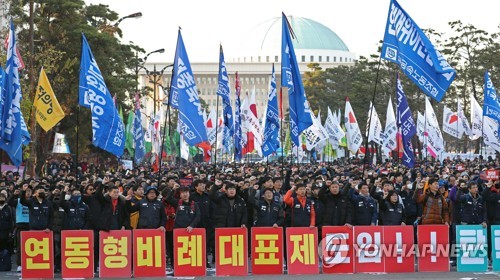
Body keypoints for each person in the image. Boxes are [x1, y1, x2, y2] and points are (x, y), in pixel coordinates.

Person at [7, 184, 31, 272]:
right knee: (20, 247)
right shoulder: (17, 201)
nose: (28, 193)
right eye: (26, 191)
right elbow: (9, 202)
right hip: (21, 226)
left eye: (29, 191)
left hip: (30, 226)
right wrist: (14, 194)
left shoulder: (33, 201)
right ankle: (20, 264)